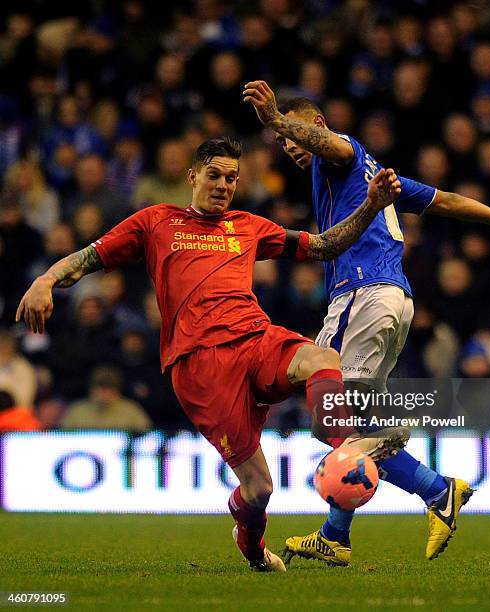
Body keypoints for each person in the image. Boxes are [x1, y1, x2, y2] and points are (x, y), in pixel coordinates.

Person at [16, 137, 404, 573]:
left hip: (255, 336)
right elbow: (91, 256)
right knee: (258, 491)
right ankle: (252, 546)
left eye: (232, 178)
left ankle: (343, 447)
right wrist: (45, 280)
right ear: (193, 176)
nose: (223, 185)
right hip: (200, 365)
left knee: (322, 359)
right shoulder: (156, 222)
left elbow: (324, 245)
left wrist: (371, 206)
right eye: (215, 175)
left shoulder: (248, 225)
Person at [242, 80, 490, 565]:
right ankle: (355, 526)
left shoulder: (341, 154)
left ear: (318, 125)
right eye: (285, 145)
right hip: (389, 300)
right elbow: (448, 201)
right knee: (349, 425)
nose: (292, 148)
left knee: (334, 419)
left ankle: (419, 480)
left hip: (362, 296)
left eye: (297, 136)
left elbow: (330, 144)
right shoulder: (370, 179)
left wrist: (277, 119)